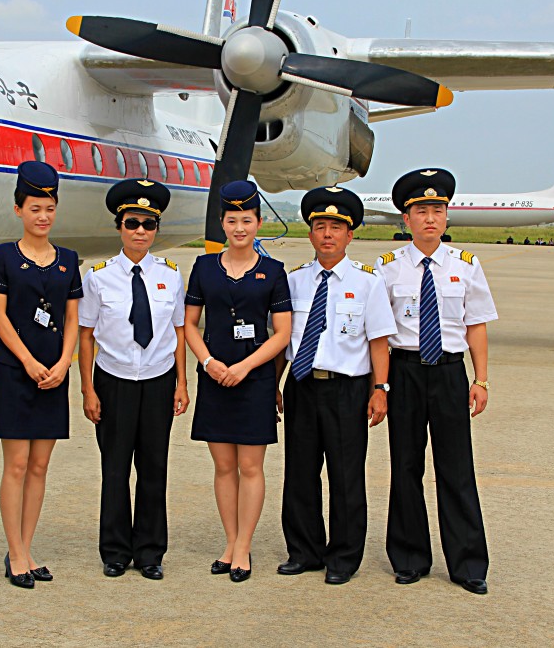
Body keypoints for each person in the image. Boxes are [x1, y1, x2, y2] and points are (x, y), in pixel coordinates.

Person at [374, 168, 497, 596]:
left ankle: (468, 564)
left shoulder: (465, 265)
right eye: (420, 211)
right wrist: (381, 386)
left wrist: (481, 379)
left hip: (448, 372)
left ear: (447, 217)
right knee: (405, 466)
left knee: (456, 468)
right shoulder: (387, 267)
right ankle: (409, 557)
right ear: (406, 219)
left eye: (437, 210)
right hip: (405, 371)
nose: (430, 218)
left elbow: (477, 323)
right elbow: (381, 332)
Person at [276, 187, 397, 585]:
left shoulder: (367, 282)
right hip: (302, 384)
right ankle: (305, 551)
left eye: (337, 228)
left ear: (350, 235)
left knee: (346, 475)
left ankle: (343, 557)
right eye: (320, 227)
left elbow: (379, 340)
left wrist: (381, 388)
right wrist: (275, 385)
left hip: (347, 388)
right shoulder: (294, 282)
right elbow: (282, 337)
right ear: (310, 234)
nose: (328, 234)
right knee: (300, 472)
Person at [78, 178, 189, 581]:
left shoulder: (171, 276)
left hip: (158, 381)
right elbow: (86, 336)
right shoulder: (98, 277)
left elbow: (177, 333)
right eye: (132, 223)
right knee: (115, 468)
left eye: (148, 223)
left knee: (154, 468)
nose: (140, 231)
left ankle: (150, 552)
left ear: (156, 229)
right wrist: (88, 389)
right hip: (114, 381)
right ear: (119, 227)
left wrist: (182, 383)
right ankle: (114, 550)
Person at [184, 180, 293, 583]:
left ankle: (244, 546)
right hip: (214, 377)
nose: (240, 228)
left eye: (247, 220)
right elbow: (190, 324)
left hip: (254, 379)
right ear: (222, 224)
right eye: (232, 221)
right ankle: (229, 541)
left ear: (259, 222)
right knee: (223, 465)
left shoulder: (273, 272)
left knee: (250, 466)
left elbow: (281, 333)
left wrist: (245, 367)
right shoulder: (203, 267)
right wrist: (209, 361)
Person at [0, 162, 82, 589]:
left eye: (50, 209)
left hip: (54, 375)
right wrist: (26, 360)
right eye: (35, 208)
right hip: (16, 371)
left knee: (40, 466)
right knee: (17, 464)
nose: (43, 216)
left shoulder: (68, 261)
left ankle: (26, 546)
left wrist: (64, 364)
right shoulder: (4, 256)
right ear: (18, 209)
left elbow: (73, 319)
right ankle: (16, 553)